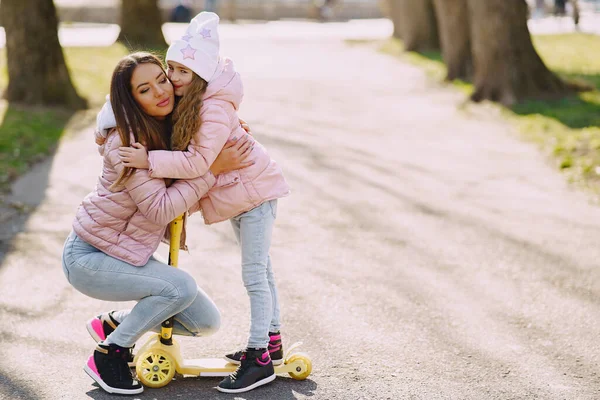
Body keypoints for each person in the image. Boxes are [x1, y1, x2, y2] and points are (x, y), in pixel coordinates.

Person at [115, 12, 291, 394]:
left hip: (255, 194)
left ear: (200, 73)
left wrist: (148, 161)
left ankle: (260, 357)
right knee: (264, 270)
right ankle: (272, 341)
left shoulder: (211, 108)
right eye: (171, 68)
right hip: (242, 196)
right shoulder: (196, 101)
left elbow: (196, 162)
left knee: (255, 276)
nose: (172, 79)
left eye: (181, 71)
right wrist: (105, 130)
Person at [62, 52, 252, 395]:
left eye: (161, 80)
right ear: (130, 101)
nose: (160, 92)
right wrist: (212, 170)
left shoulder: (169, 128)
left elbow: (187, 175)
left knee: (204, 322)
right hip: (90, 257)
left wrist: (225, 139)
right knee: (179, 288)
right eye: (144, 90)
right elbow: (161, 209)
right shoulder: (128, 143)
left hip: (126, 254)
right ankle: (111, 353)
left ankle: (112, 325)